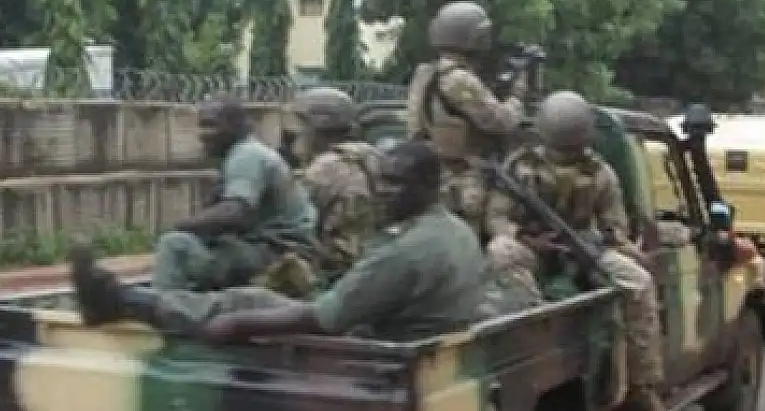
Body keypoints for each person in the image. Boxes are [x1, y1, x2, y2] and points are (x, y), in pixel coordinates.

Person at [68, 140, 487, 342]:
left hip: (373, 350)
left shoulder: (408, 250)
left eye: (397, 184)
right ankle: (128, 300)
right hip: (404, 336)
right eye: (384, 181)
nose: (384, 192)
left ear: (429, 186)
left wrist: (237, 326)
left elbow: (324, 319)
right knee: (254, 296)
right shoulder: (453, 230)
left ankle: (123, 302)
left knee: (246, 303)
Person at [485, 91, 677, 411]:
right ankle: (534, 335)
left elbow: (615, 226)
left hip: (585, 248)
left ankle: (642, 388)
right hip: (535, 248)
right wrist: (525, 238)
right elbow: (496, 217)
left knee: (639, 281)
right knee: (500, 251)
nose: (568, 151)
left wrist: (603, 246)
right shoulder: (519, 167)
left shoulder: (600, 172)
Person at [151, 96, 318, 294]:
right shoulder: (248, 152)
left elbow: (235, 212)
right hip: (277, 248)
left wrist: (181, 226)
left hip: (277, 253)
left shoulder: (246, 155)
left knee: (174, 244)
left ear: (235, 125)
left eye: (211, 125)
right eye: (201, 126)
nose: (203, 134)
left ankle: (162, 307)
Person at [406, 0, 527, 235]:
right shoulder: (460, 79)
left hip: (433, 173)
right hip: (463, 179)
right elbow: (501, 122)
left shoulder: (426, 73)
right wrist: (517, 97)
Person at [267, 87, 384, 297]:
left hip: (335, 269)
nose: (294, 137)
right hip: (373, 259)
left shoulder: (324, 167)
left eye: (299, 128)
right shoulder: (372, 155)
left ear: (315, 128)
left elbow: (291, 220)